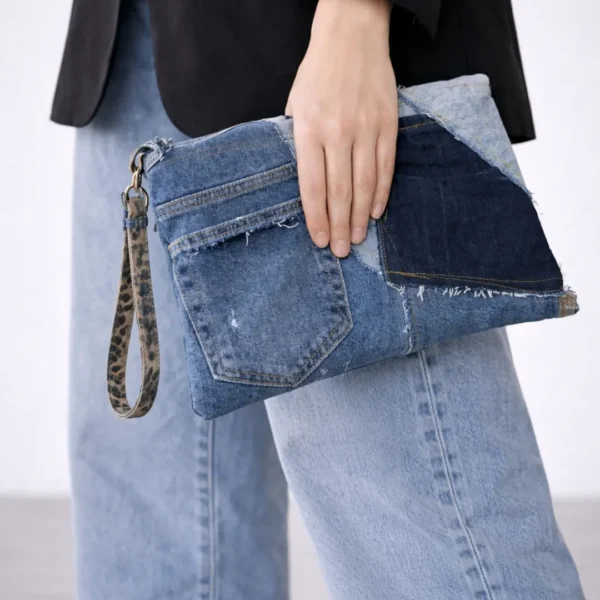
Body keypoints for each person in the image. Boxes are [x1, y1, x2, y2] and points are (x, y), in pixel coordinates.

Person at [51, 0, 586, 598]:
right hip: (128, 43)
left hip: (319, 42)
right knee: (148, 512)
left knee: (428, 534)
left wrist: (356, 16)